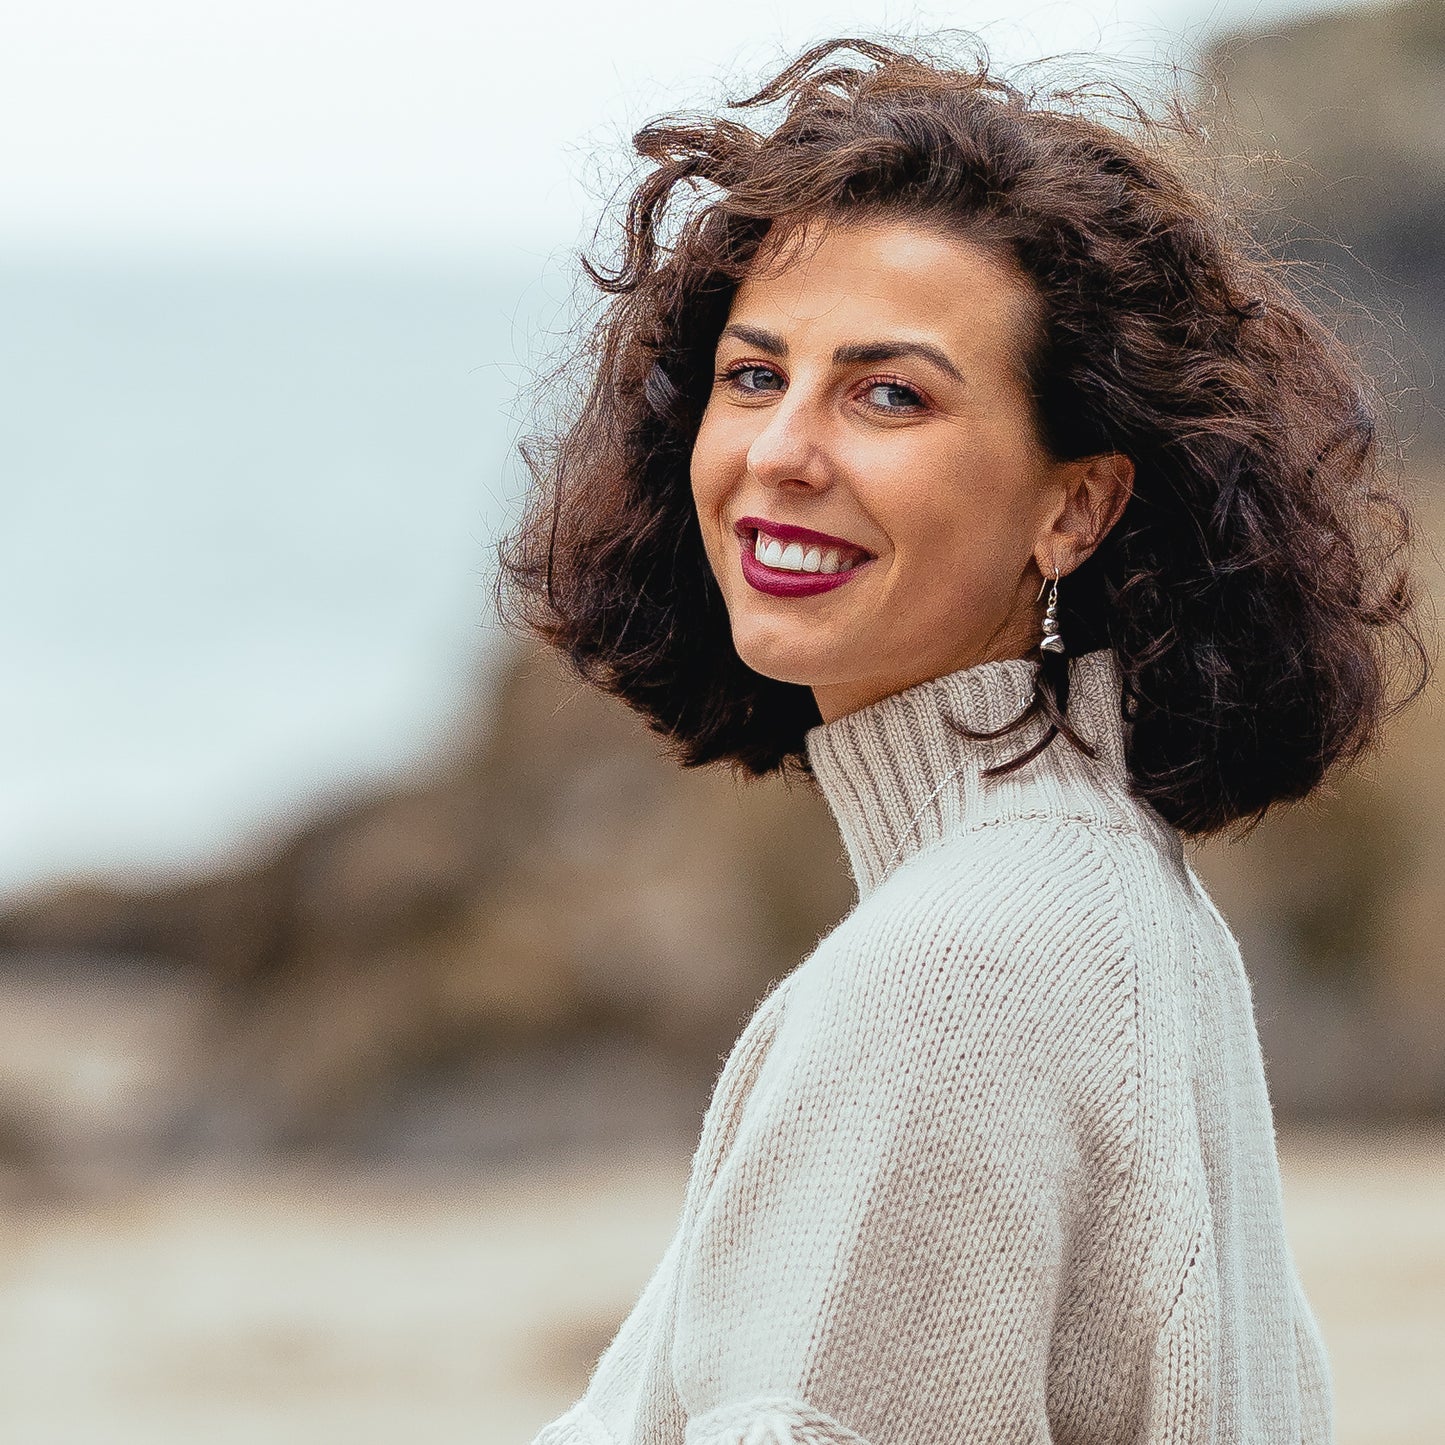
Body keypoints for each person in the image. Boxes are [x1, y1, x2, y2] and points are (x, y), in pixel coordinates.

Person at [494, 34, 1431, 1445]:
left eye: (891, 394)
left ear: (1076, 508)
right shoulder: (1107, 901)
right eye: (754, 376)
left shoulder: (956, 967)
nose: (781, 452)